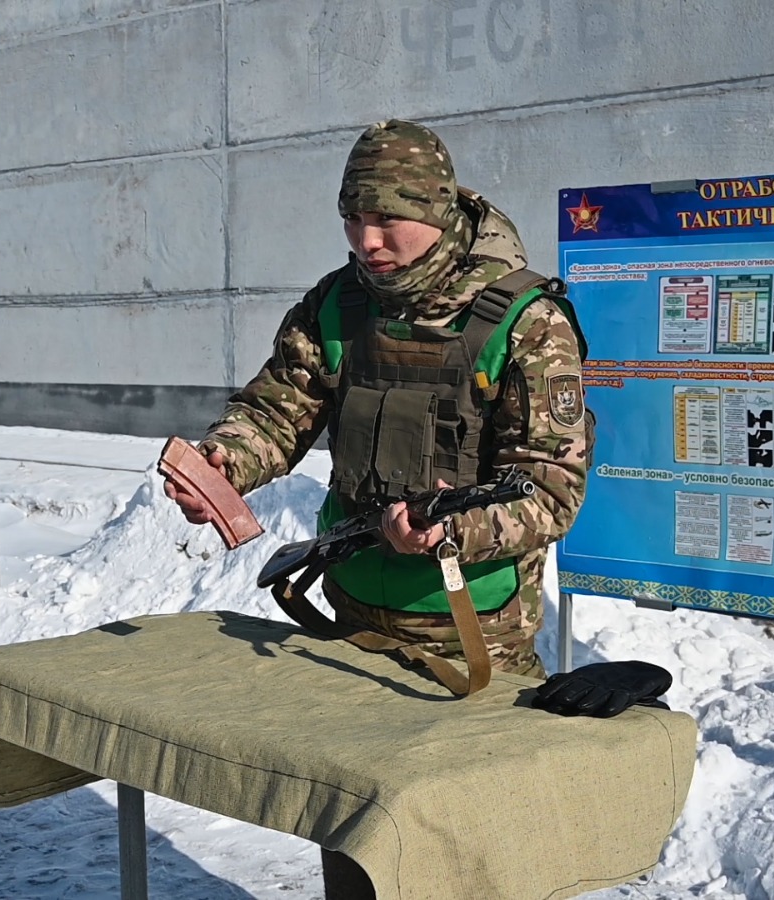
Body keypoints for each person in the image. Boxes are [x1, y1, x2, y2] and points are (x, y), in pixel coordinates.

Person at [162, 119, 599, 898]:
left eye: (386, 221)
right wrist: (228, 460)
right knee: (359, 835)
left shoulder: (523, 321)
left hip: (477, 640)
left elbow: (550, 487)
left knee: (470, 847)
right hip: (352, 621)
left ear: (435, 211)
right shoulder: (337, 307)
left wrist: (452, 529)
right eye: (352, 221)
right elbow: (278, 411)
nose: (367, 241)